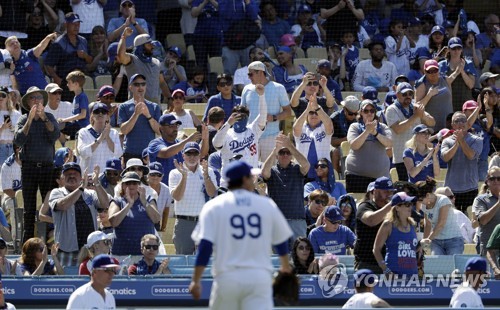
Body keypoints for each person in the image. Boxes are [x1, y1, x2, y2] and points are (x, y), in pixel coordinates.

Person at [189, 160, 293, 308]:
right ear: (244, 179)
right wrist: (285, 268)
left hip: (227, 278)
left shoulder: (213, 206)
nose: (253, 180)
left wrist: (196, 280)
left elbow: (205, 247)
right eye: (251, 177)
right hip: (259, 278)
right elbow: (281, 241)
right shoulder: (265, 204)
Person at [14, 86, 60, 243]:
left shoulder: (50, 117)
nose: (36, 101)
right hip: (29, 168)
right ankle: (27, 244)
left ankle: (48, 243)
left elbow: (55, 135)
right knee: (29, 208)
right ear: (27, 102)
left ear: (43, 101)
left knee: (48, 208)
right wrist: (30, 120)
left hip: (47, 168)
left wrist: (43, 118)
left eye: (39, 98)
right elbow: (18, 140)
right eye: (33, 98)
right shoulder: (22, 119)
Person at [49, 162, 110, 266]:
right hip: (67, 250)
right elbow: (63, 205)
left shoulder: (90, 193)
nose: (72, 176)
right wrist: (81, 188)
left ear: (81, 177)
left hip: (90, 250)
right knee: (68, 281)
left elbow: (105, 203)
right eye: (68, 174)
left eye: (75, 173)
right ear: (63, 177)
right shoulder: (57, 192)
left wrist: (97, 183)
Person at [213, 86, 267, 186]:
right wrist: (228, 123)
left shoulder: (253, 129)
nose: (239, 118)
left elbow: (263, 115)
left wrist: (262, 96)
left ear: (247, 117)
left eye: (242, 116)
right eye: (236, 115)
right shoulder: (226, 133)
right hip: (229, 183)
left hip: (249, 181)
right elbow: (216, 144)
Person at [169, 142, 217, 255]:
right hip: (184, 223)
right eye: (188, 153)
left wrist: (206, 176)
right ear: (183, 155)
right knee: (183, 260)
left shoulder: (208, 171)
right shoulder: (175, 173)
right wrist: (184, 177)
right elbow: (177, 196)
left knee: (206, 261)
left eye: (195, 153)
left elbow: (212, 193)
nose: (192, 157)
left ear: (200, 155)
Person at [262, 133, 310, 242]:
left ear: (291, 155)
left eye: (288, 152)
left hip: (297, 220)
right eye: (281, 152)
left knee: (299, 256)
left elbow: (307, 165)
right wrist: (275, 149)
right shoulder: (272, 171)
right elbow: (264, 172)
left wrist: (290, 146)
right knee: (279, 257)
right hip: (277, 221)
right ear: (277, 155)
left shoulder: (298, 169)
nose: (285, 155)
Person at [241, 61, 291, 162]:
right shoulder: (246, 89)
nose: (249, 77)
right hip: (250, 137)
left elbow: (288, 112)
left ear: (260, 72)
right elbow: (242, 113)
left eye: (250, 74)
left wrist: (274, 118)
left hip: (271, 138)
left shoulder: (279, 88)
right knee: (249, 172)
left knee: (270, 172)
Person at [385, 82, 436, 181]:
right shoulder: (391, 109)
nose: (408, 96)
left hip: (419, 155)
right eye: (404, 94)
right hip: (401, 157)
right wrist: (416, 116)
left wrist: (422, 115)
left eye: (410, 94)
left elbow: (432, 122)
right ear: (397, 95)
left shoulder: (415, 107)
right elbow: (398, 129)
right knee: (407, 190)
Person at [109, 171, 160, 257]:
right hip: (121, 253)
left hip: (145, 254)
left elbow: (156, 219)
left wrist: (144, 201)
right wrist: (129, 205)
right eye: (128, 183)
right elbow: (113, 222)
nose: (131, 186)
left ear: (139, 185)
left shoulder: (149, 200)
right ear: (123, 185)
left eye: (134, 183)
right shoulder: (117, 201)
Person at [345, 99, 392, 193]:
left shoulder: (383, 127)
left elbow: (390, 143)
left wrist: (375, 133)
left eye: (372, 110)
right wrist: (367, 131)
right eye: (366, 111)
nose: (369, 113)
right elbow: (354, 145)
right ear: (361, 112)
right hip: (356, 176)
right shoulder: (355, 126)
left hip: (380, 178)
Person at [441, 112, 483, 213]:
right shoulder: (446, 141)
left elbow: (471, 155)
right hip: (452, 189)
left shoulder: (477, 140)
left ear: (467, 123)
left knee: (469, 221)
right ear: (452, 125)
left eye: (463, 120)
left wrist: (462, 141)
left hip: (470, 189)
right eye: (456, 121)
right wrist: (456, 143)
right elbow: (445, 157)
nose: (460, 123)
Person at [44, 13, 92, 102]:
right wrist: (56, 77)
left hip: (80, 83)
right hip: (65, 84)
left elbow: (90, 61)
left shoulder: (83, 41)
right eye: (73, 24)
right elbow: (48, 64)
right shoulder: (59, 43)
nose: (76, 27)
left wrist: (85, 56)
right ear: (66, 24)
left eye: (78, 24)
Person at [147, 114, 206, 185]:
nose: (175, 129)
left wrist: (205, 138)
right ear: (161, 128)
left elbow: (201, 154)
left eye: (176, 126)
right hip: (161, 188)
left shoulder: (181, 143)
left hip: (179, 188)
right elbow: (166, 153)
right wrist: (188, 140)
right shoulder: (155, 143)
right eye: (171, 126)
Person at [117, 30, 170, 104]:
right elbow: (121, 55)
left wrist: (170, 98)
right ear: (141, 47)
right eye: (149, 44)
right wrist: (123, 37)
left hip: (155, 106)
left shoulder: (156, 62)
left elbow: (162, 82)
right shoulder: (133, 60)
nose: (152, 46)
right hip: (136, 105)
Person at [354, 176, 394, 273]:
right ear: (375, 191)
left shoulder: (392, 209)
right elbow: (371, 220)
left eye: (390, 191)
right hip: (367, 262)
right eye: (385, 191)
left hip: (387, 262)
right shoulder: (365, 206)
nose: (389, 194)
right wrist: (391, 204)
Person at [118, 73, 162, 163]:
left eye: (143, 84)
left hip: (149, 154)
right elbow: (124, 130)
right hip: (130, 153)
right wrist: (136, 114)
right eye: (136, 84)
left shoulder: (154, 107)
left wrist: (148, 116)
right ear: (130, 87)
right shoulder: (123, 106)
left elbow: (159, 131)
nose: (140, 87)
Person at [373, 192, 418, 277]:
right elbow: (376, 249)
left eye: (411, 204)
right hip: (394, 276)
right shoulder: (388, 225)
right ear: (397, 207)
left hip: (412, 276)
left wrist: (422, 244)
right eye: (407, 204)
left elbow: (411, 250)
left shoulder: (412, 225)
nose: (410, 207)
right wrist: (386, 270)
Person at [416, 178, 465, 255]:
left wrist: (428, 240)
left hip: (454, 241)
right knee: (438, 266)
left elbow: (441, 224)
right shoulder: (424, 205)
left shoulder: (443, 200)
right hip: (436, 242)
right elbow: (428, 224)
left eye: (420, 200)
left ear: (428, 195)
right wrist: (424, 242)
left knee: (453, 266)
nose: (419, 202)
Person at [77, 103, 123, 172]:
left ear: (107, 116)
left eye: (103, 112)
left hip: (108, 176)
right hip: (89, 176)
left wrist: (107, 137)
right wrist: (100, 138)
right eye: (97, 112)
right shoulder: (84, 132)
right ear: (92, 116)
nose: (100, 114)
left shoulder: (114, 133)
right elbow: (83, 153)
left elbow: (119, 153)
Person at [439, 37, 476, 112]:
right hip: (448, 103)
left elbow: (471, 85)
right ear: (449, 49)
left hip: (465, 104)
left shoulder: (468, 63)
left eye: (458, 48)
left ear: (462, 49)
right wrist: (456, 72)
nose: (456, 51)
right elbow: (443, 84)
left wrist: (462, 71)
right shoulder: (442, 65)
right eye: (453, 48)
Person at [473, 166, 500, 256]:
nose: (496, 181)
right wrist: (498, 203)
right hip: (489, 250)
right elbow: (483, 221)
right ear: (487, 181)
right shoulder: (481, 200)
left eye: (499, 178)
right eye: (492, 178)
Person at [330, 96, 361, 174]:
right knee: (336, 152)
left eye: (356, 113)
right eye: (351, 114)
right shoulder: (334, 119)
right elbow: (332, 142)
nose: (354, 116)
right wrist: (348, 138)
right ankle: (336, 178)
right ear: (344, 109)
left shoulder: (360, 118)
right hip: (338, 146)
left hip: (356, 145)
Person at [191, 0, 223, 73]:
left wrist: (211, 1)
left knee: (216, 62)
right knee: (201, 64)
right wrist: (204, 2)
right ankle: (202, 83)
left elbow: (224, 10)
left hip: (216, 35)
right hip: (200, 36)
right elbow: (193, 14)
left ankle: (216, 82)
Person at [147, 162, 171, 232]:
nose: (155, 177)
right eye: (152, 174)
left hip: (156, 223)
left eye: (159, 175)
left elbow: (166, 210)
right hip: (141, 222)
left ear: (162, 176)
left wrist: (163, 227)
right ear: (147, 175)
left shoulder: (166, 189)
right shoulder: (142, 187)